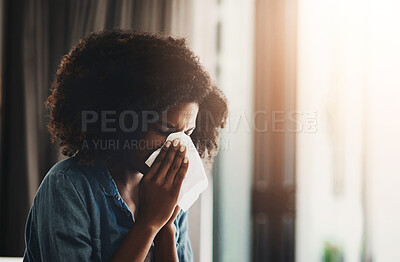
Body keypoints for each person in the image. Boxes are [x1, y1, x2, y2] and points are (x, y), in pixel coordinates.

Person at [23, 29, 228, 262]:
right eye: (164, 130)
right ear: (123, 121)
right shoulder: (68, 186)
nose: (178, 145)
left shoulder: (168, 188)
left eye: (188, 133)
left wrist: (166, 228)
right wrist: (149, 224)